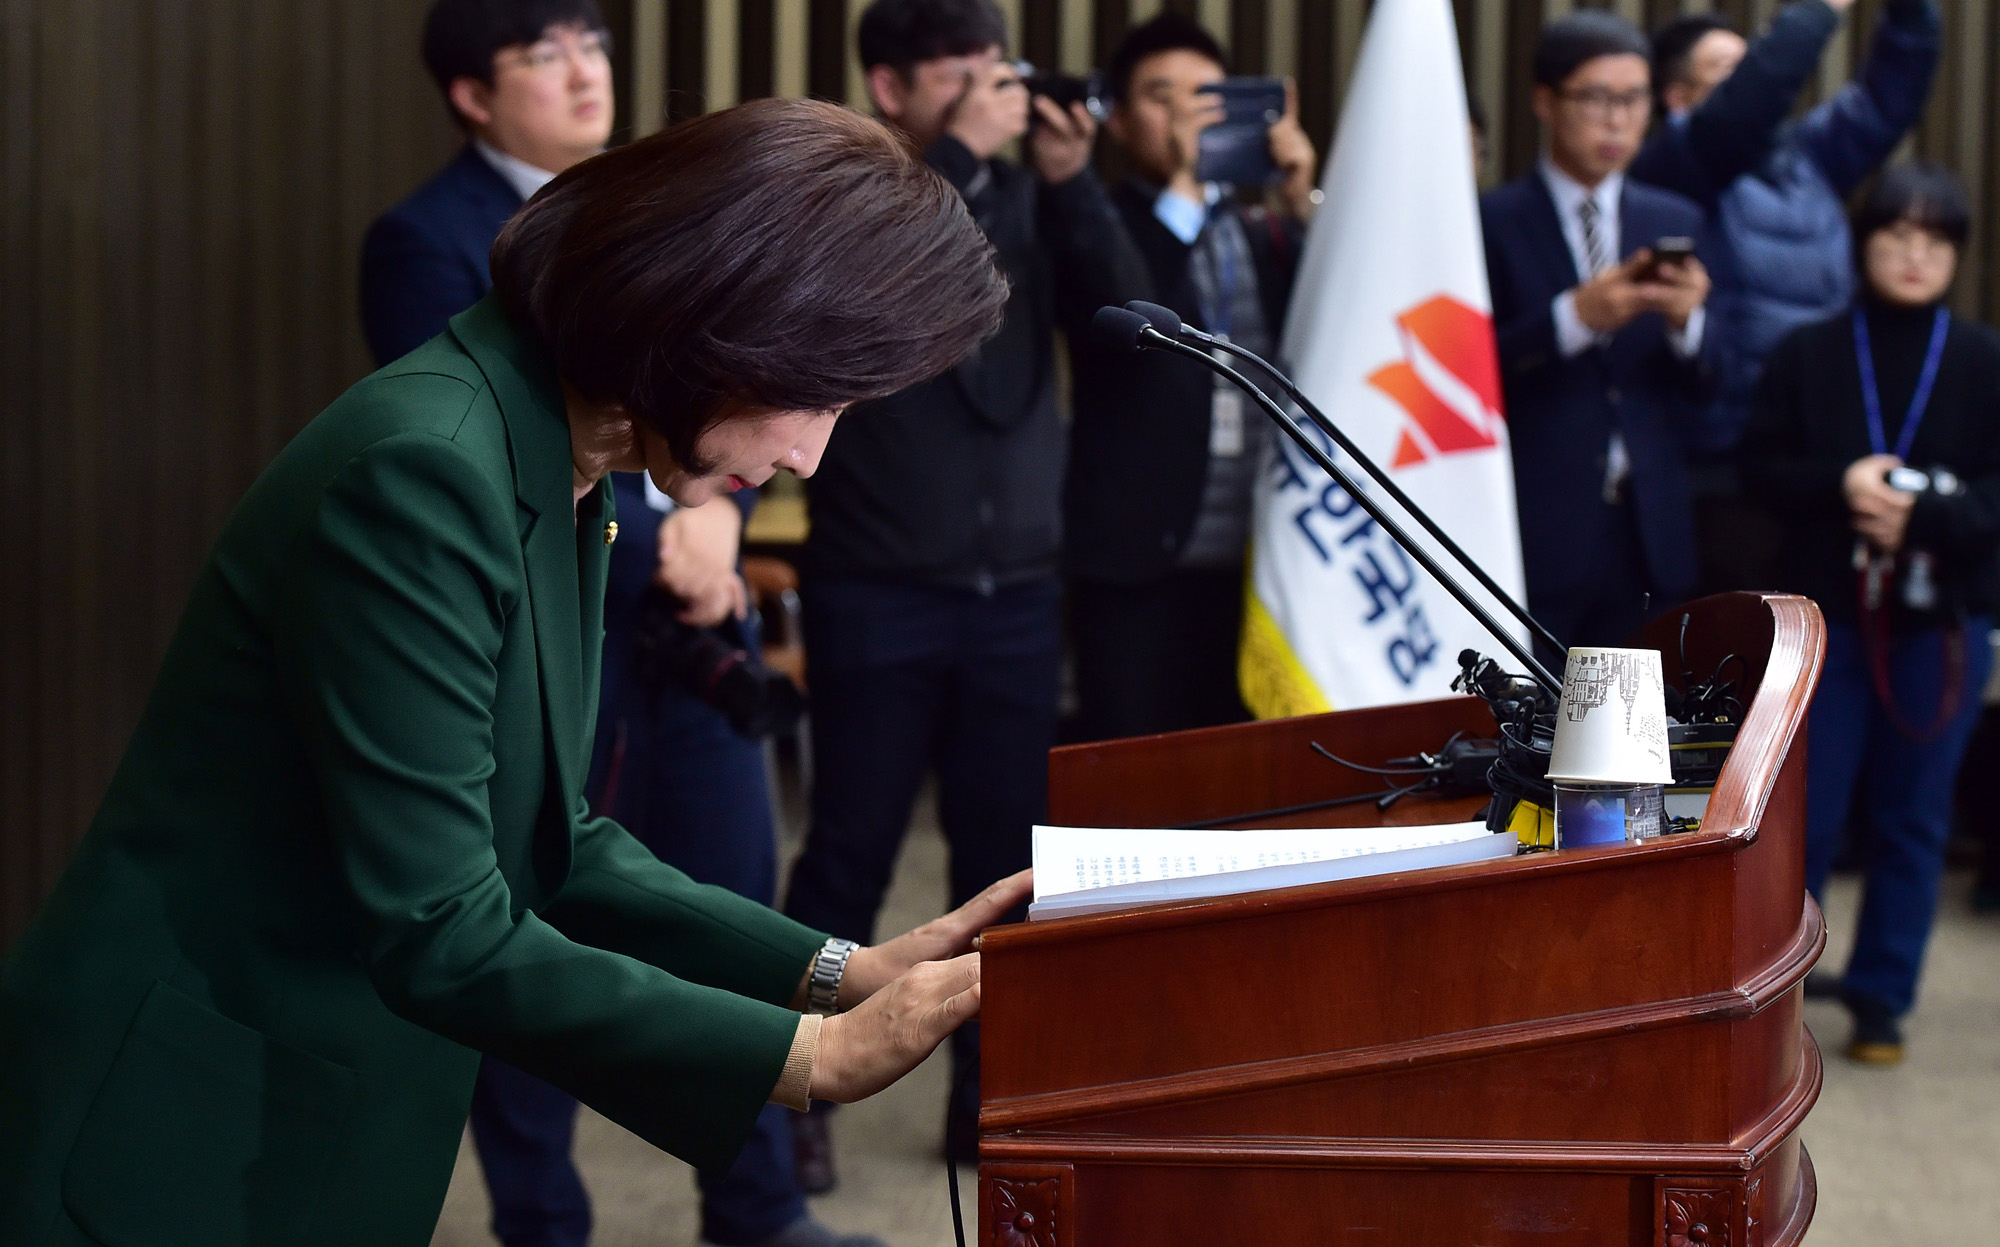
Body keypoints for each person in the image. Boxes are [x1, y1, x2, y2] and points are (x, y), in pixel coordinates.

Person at [0, 100, 1026, 1247]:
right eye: (816, 397)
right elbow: (444, 923)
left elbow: (551, 836)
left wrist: (840, 968)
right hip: (177, 1103)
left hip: (314, 1086)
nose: (808, 454)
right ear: (709, 319)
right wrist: (812, 1058)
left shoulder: (559, 451)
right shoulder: (426, 471)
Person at [362, 7, 865, 1246]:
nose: (586, 69)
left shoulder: (655, 214)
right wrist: (666, 539)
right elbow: (504, 450)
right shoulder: (423, 240)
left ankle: (758, 1210)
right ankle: (543, 1220)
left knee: (727, 900)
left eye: (591, 40)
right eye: (546, 52)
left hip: (693, 647)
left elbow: (744, 402)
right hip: (556, 640)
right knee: (529, 917)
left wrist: (726, 527)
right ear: (472, 95)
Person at [779, 0, 1147, 1172]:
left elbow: (1126, 326)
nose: (990, 88)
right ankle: (794, 1096)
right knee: (849, 849)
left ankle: (989, 1105)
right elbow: (861, 302)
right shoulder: (848, 195)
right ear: (891, 88)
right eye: (958, 73)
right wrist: (961, 163)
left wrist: (1070, 180)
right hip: (878, 584)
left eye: (997, 67)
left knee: (1003, 867)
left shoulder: (1028, 196)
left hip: (1015, 592)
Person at [1738, 163, 2000, 1066]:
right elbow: (1757, 469)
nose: (1915, 252)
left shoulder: (1982, 357)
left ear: (1957, 255)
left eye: (1936, 239)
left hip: (1944, 627)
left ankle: (1883, 1000)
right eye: (1896, 233)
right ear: (1864, 241)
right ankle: (1781, 995)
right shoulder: (1809, 350)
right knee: (1805, 820)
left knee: (1915, 815)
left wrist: (1924, 513)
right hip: (1825, 627)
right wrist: (1842, 484)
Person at [1630, 0, 1941, 594]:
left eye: (1754, 64)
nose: (1755, 79)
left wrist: (1911, 12)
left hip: (1813, 463)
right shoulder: (1676, 163)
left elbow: (1887, 99)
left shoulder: (1808, 160)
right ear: (1677, 97)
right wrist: (1818, 11)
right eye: (1728, 70)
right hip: (1721, 474)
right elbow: (1741, 112)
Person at [1062, 14, 1316, 740]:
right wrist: (1181, 186)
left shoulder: (1263, 227)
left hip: (1261, 558)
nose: (1184, 115)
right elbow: (1131, 317)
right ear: (1116, 119)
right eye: (1160, 96)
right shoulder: (1100, 219)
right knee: (1140, 768)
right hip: (1142, 565)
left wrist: (1305, 200)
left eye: (1204, 96)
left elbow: (1339, 329)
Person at [1480, 11, 1715, 655]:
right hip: (1535, 531)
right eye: (1596, 98)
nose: (1617, 120)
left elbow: (1713, 386)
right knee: (1528, 740)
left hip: (1650, 534)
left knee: (1640, 744)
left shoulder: (1675, 219)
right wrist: (1574, 320)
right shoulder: (1490, 222)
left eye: (1634, 99)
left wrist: (1687, 323)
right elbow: (1467, 374)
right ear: (1544, 101)